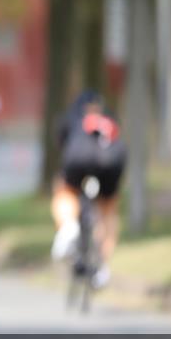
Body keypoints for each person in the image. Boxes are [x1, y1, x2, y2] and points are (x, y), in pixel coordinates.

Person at [50, 90, 127, 288]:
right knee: (108, 210)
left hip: (78, 161)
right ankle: (102, 264)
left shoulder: (73, 117)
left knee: (65, 191)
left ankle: (68, 227)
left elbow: (61, 142)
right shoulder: (110, 117)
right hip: (111, 164)